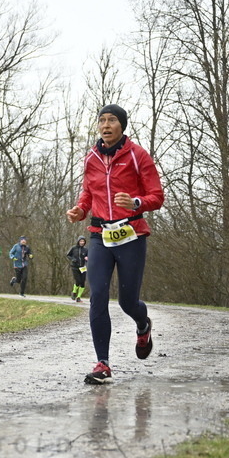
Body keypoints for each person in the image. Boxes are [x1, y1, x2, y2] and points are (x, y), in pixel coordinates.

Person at [66, 104, 164, 385]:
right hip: (99, 235)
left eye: (112, 120)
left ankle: (143, 325)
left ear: (122, 126)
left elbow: (156, 196)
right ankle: (103, 363)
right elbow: (88, 193)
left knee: (127, 301)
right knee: (97, 295)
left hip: (131, 234)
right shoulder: (91, 158)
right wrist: (79, 210)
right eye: (102, 121)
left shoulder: (138, 156)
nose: (106, 125)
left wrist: (136, 202)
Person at [66, 236, 88, 302]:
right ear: (78, 241)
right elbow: (68, 255)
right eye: (81, 241)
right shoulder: (74, 248)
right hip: (75, 267)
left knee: (83, 282)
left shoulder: (86, 249)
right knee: (78, 281)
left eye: (83, 241)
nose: (82, 242)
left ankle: (78, 297)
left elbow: (88, 256)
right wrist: (73, 259)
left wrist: (87, 258)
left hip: (83, 267)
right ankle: (74, 292)